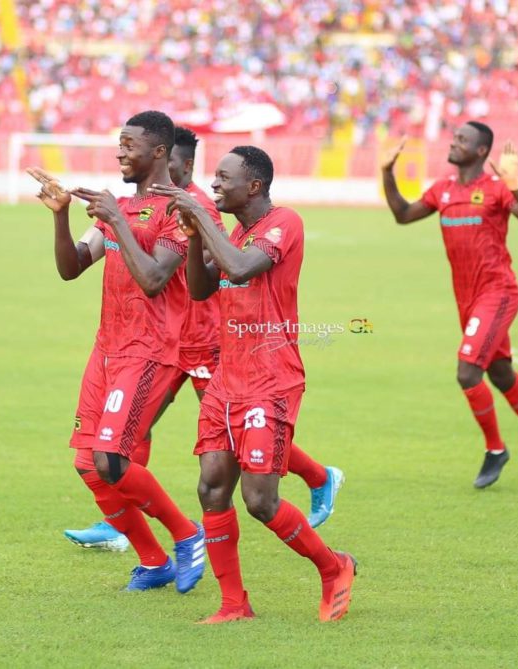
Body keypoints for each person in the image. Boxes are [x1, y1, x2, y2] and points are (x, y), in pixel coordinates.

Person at [63, 126, 344, 552]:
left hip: (209, 343)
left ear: (177, 162)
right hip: (167, 342)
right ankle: (121, 516)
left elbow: (215, 272)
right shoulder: (157, 206)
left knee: (244, 435)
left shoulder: (203, 211)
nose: (164, 178)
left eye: (171, 168)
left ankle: (318, 477)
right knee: (129, 433)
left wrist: (185, 223)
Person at [149, 146, 356, 624]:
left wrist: (202, 216)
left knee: (261, 501)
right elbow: (201, 290)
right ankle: (234, 604)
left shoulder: (284, 223)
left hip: (271, 380)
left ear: (255, 186)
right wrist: (197, 234)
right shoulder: (235, 232)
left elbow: (241, 268)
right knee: (212, 488)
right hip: (226, 380)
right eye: (214, 179)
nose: (214, 185)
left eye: (223, 178)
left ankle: (334, 566)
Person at [27, 110, 206, 591]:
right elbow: (72, 267)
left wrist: (115, 220)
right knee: (88, 464)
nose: (120, 152)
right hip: (106, 348)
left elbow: (153, 279)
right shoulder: (120, 206)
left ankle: (189, 535)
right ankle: (153, 561)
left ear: (160, 152)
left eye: (129, 144)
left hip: (148, 351)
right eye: (119, 143)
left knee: (111, 459)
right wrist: (62, 215)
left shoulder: (179, 208)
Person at [381, 122, 518, 488]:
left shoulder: (497, 189)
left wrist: (516, 185)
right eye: (454, 137)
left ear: (481, 151)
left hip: (498, 293)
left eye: (463, 139)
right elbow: (403, 214)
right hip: (466, 299)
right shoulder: (443, 190)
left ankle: (496, 449)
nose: (454, 142)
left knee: (467, 372)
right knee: (500, 374)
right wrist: (387, 173)